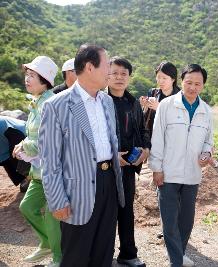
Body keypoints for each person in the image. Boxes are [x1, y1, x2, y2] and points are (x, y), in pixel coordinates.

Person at [39, 44, 125, 267]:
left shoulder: (107, 101)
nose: (110, 71)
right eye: (106, 65)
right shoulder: (56, 105)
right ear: (89, 67)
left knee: (104, 252)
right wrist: (57, 200)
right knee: (76, 256)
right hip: (77, 192)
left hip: (109, 184)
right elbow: (49, 160)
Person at [149, 64, 213, 267]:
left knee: (186, 221)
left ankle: (178, 253)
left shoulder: (206, 111)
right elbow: (157, 138)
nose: (192, 87)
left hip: (192, 175)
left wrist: (207, 153)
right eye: (189, 83)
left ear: (203, 85)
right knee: (169, 222)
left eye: (197, 83)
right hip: (168, 174)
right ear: (181, 82)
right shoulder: (167, 105)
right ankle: (176, 261)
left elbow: (208, 141)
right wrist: (156, 168)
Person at [12, 56, 61, 266]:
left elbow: (46, 139)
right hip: (38, 171)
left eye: (32, 75)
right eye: (27, 75)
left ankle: (59, 257)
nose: (27, 79)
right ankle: (47, 243)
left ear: (45, 80)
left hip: (52, 171)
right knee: (27, 207)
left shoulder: (49, 103)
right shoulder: (37, 102)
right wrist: (24, 143)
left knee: (52, 217)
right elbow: (33, 134)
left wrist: (24, 146)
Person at [107, 56, 150, 267]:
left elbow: (143, 130)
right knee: (106, 211)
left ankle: (128, 254)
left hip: (127, 167)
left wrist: (145, 149)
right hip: (104, 167)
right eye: (114, 73)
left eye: (124, 74)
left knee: (127, 210)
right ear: (106, 75)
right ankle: (104, 254)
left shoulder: (133, 103)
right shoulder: (100, 100)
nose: (119, 77)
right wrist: (112, 154)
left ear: (129, 77)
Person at [140, 61, 180, 138]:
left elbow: (180, 121)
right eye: (158, 77)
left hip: (172, 141)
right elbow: (144, 120)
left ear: (173, 79)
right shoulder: (153, 92)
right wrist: (144, 107)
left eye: (164, 78)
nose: (160, 81)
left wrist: (159, 108)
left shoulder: (181, 97)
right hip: (152, 140)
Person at [0, 115, 30, 192]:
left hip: (21, 133)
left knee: (16, 153)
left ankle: (30, 178)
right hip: (5, 141)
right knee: (5, 159)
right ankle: (23, 179)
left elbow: (17, 137)